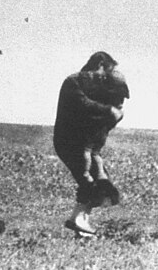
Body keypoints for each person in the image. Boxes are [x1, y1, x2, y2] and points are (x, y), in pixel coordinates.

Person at [53, 51, 129, 236]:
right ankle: (78, 220)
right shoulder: (74, 82)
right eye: (107, 71)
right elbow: (82, 104)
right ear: (101, 64)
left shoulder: (94, 87)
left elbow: (104, 117)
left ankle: (81, 222)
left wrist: (112, 111)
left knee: (102, 185)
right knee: (88, 181)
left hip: (88, 146)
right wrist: (109, 110)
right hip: (72, 143)